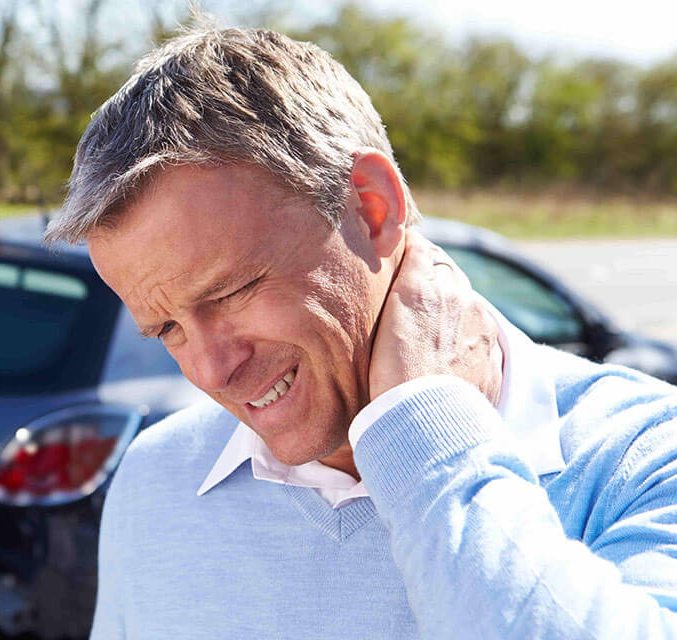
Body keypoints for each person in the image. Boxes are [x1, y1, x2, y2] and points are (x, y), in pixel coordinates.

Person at [43, 26, 677, 639]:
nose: (211, 373)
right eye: (168, 329)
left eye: (231, 292)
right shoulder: (157, 478)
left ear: (372, 208)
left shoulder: (645, 460)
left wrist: (425, 427)